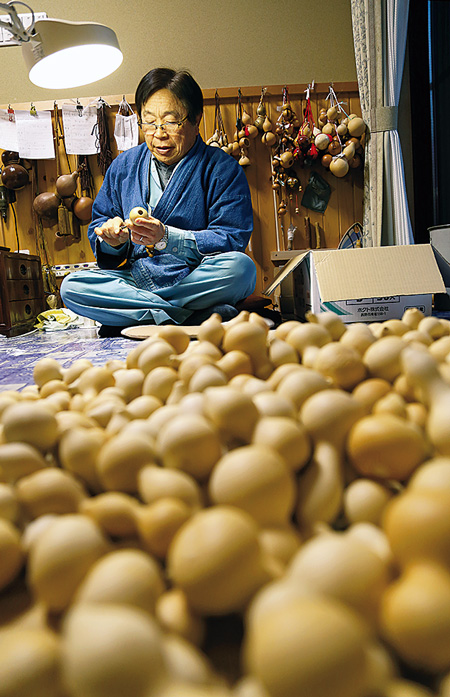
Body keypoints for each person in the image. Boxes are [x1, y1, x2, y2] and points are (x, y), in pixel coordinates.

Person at [60, 67, 257, 336]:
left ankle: (142, 316)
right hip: (136, 278)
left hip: (194, 276)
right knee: (72, 288)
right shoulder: (123, 166)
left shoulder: (222, 168)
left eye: (170, 122)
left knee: (241, 270)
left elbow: (232, 239)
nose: (159, 133)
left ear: (196, 118)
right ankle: (190, 317)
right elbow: (100, 223)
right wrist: (112, 240)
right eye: (149, 122)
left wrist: (166, 237)